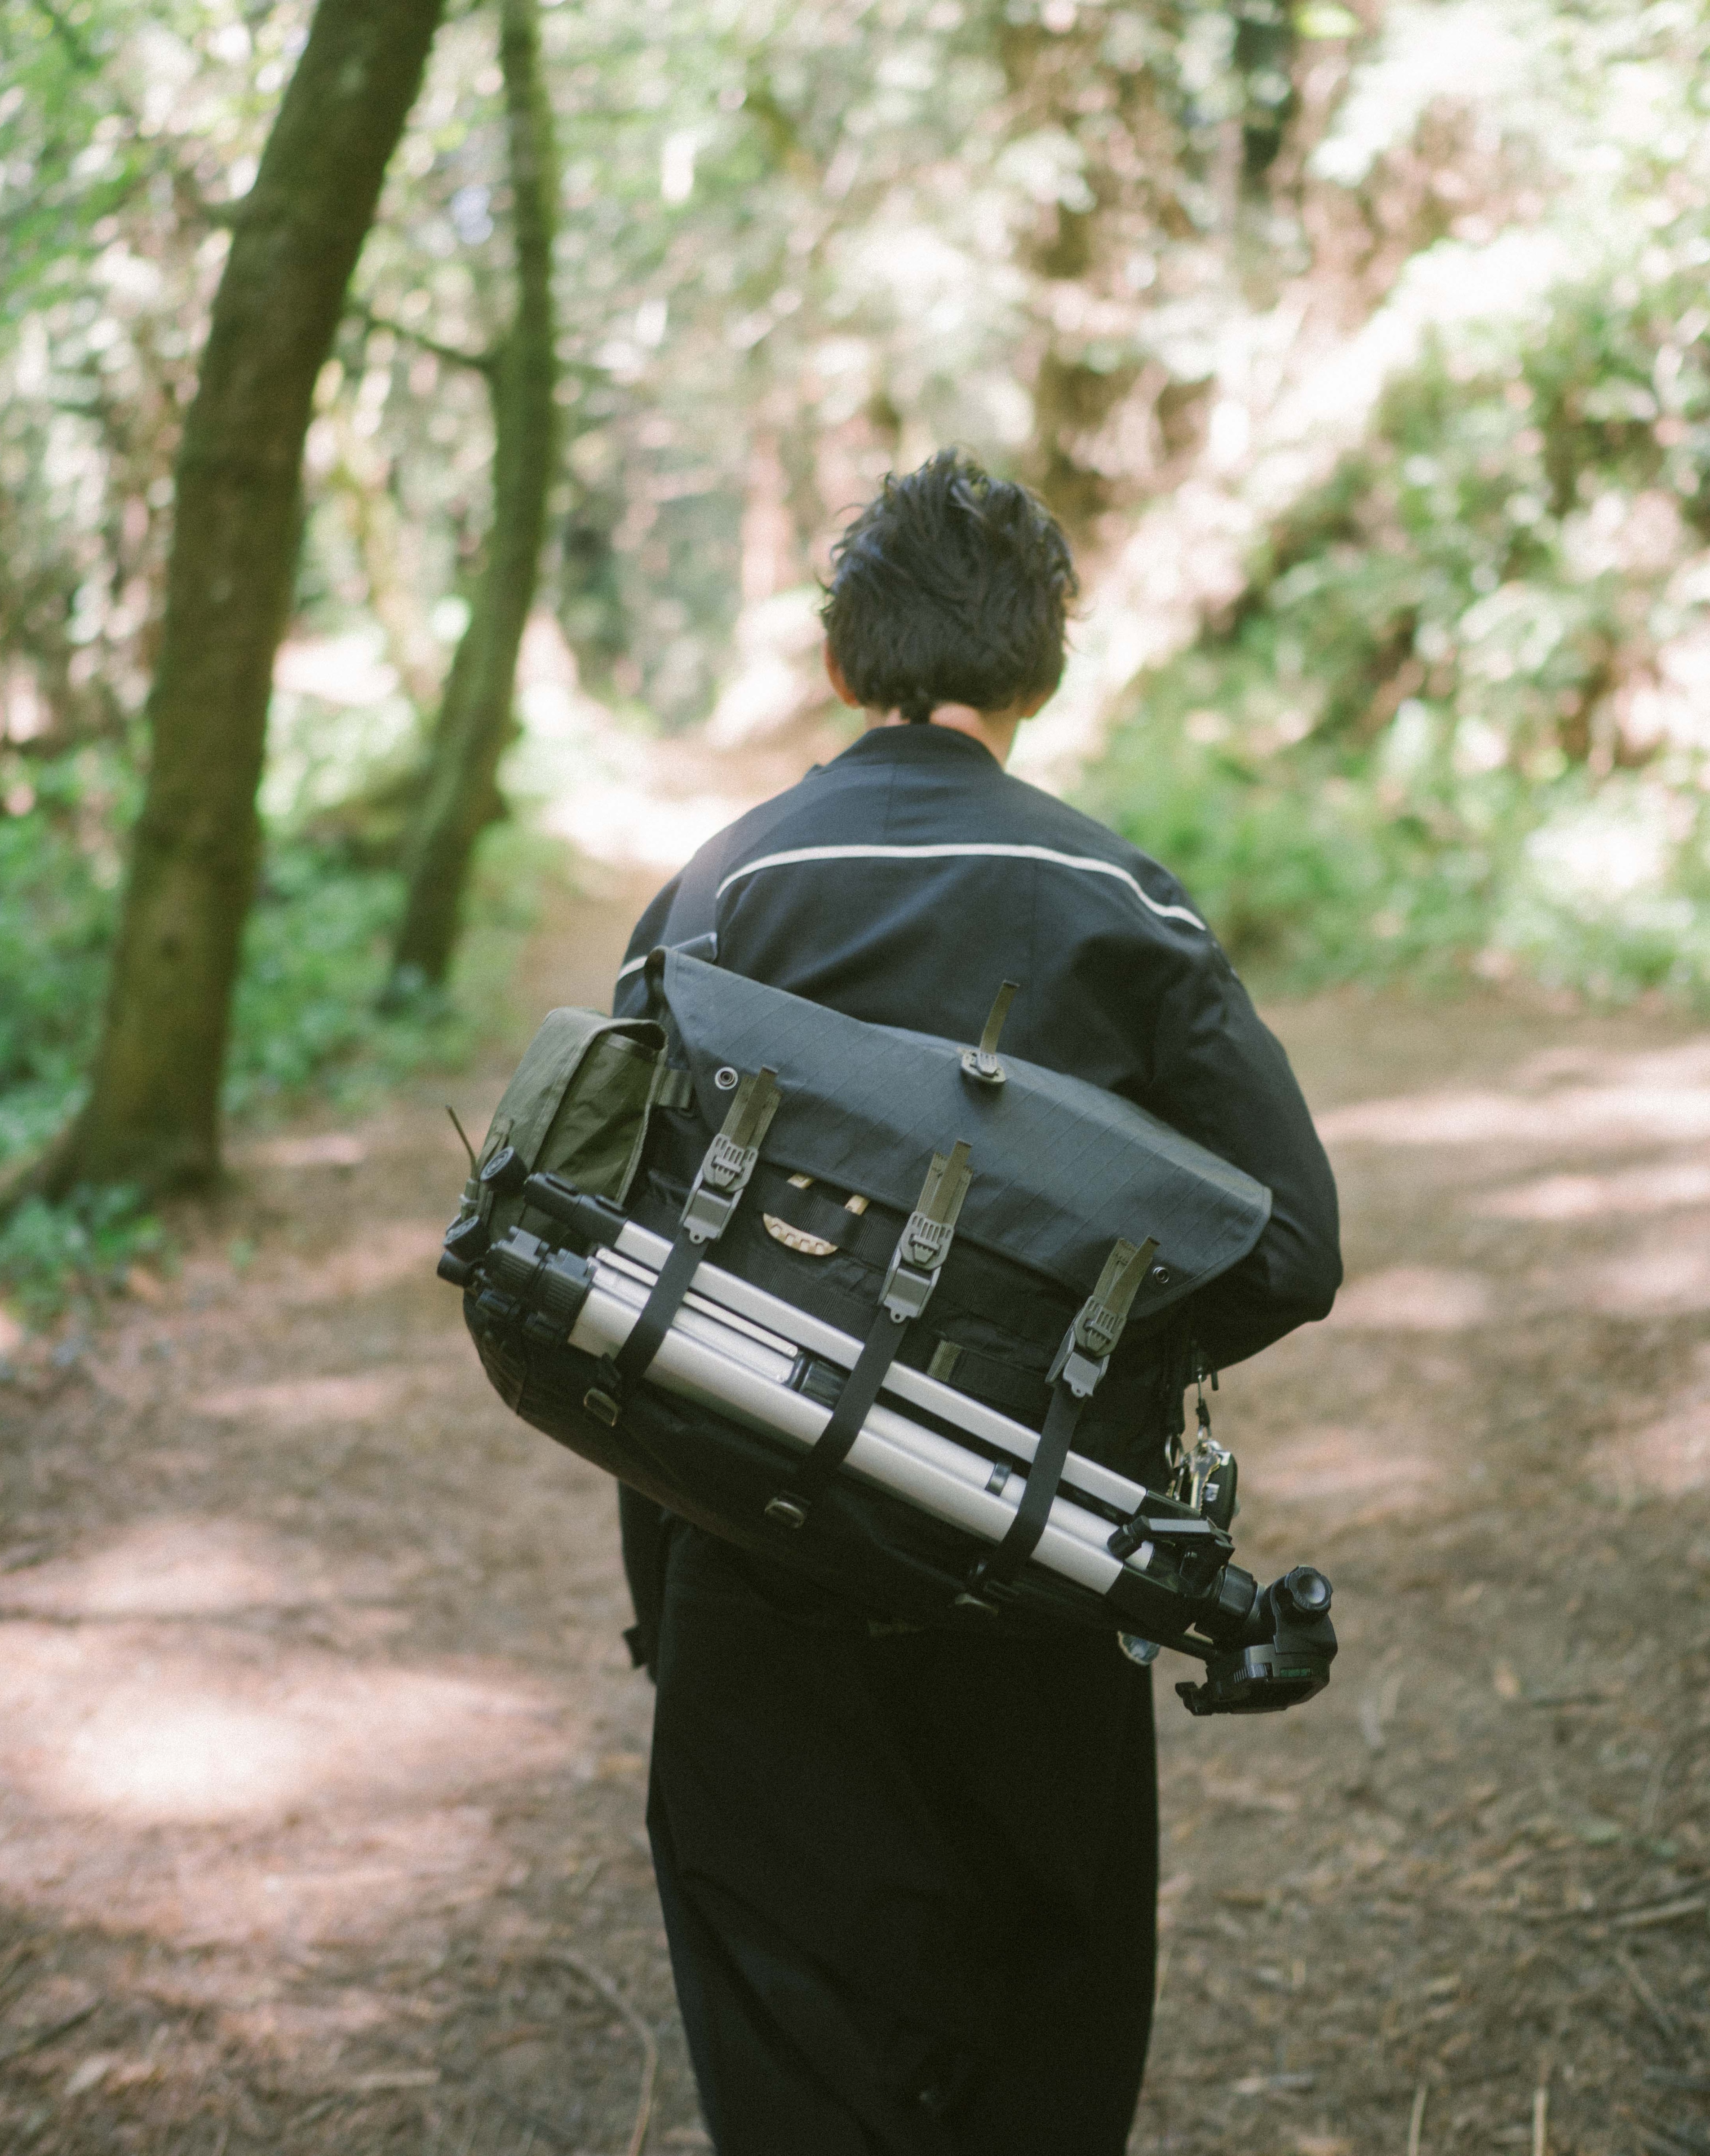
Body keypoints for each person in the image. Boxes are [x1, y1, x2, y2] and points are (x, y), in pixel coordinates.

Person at [611, 449, 1341, 2155]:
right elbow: (1292, 1246)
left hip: (754, 1561)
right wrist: (1067, 1357)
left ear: (844, 660)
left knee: (796, 2069)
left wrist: (666, 1593)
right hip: (1037, 1568)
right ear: (1040, 665)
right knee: (1042, 2051)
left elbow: (611, 1250)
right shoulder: (1123, 903)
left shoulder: (719, 891)